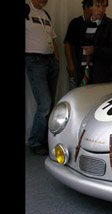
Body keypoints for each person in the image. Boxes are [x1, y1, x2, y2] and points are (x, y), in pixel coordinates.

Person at [25, 0, 59, 155]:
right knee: (44, 104)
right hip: (34, 61)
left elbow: (53, 39)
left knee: (50, 104)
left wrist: (56, 60)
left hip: (50, 61)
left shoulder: (45, 14)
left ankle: (46, 140)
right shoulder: (26, 9)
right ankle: (34, 141)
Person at [78, 0, 112, 85]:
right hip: (85, 73)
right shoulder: (85, 25)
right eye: (98, 6)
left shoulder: (111, 25)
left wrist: (95, 50)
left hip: (103, 77)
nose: (101, 10)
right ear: (90, 7)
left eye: (104, 6)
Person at [64, 0, 91, 89]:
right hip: (77, 63)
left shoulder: (98, 23)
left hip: (92, 65)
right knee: (76, 90)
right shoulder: (75, 23)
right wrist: (70, 62)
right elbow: (67, 44)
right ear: (86, 7)